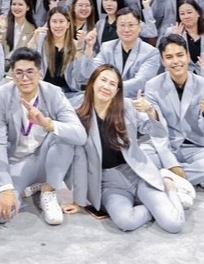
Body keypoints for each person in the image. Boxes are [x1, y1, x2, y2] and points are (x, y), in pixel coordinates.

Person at [69, 65, 184, 232]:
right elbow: (78, 162)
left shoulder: (128, 107)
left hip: (138, 174)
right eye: (103, 80)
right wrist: (78, 201)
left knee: (174, 224)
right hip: (107, 183)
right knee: (125, 222)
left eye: (112, 84)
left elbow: (158, 133)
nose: (106, 87)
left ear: (117, 90)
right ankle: (155, 208)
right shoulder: (78, 115)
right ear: (92, 83)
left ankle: (170, 188)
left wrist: (150, 111)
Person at [0, 48, 86, 225]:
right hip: (16, 162)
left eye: (30, 72)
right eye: (19, 73)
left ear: (40, 73)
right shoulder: (1, 95)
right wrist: (7, 189)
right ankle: (33, 186)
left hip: (45, 159)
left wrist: (47, 123)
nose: (24, 78)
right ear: (12, 75)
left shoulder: (53, 93)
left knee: (64, 136)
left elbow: (80, 135)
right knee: (0, 214)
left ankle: (49, 190)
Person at [143, 35, 204, 196]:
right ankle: (203, 178)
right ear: (163, 61)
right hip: (168, 145)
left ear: (188, 56)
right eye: (169, 57)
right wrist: (171, 163)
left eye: (180, 55)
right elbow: (157, 133)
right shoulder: (153, 86)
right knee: (141, 154)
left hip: (197, 147)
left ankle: (172, 180)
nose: (176, 61)